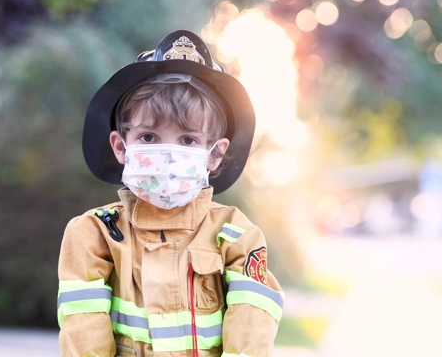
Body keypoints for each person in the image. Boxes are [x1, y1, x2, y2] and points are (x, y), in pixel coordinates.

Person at [57, 30, 284, 357]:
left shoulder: (237, 236)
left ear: (215, 155)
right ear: (121, 147)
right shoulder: (93, 235)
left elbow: (251, 327)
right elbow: (83, 333)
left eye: (188, 140)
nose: (167, 153)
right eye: (149, 137)